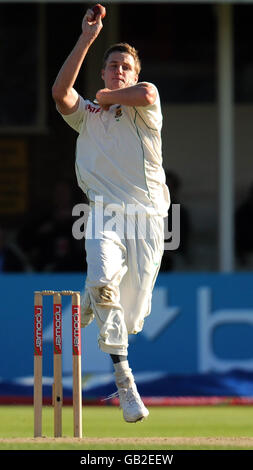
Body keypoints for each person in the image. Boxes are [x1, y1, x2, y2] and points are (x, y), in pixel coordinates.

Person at [52, 6, 170, 423]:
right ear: (101, 72)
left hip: (149, 217)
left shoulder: (142, 106)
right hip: (102, 212)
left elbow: (147, 93)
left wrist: (109, 97)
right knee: (104, 281)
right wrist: (87, 39)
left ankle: (91, 298)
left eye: (125, 67)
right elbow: (61, 94)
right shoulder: (88, 116)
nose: (119, 71)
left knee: (133, 315)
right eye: (112, 66)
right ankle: (124, 380)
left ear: (133, 74)